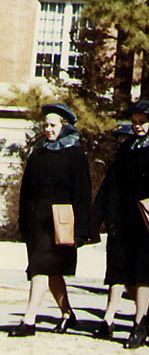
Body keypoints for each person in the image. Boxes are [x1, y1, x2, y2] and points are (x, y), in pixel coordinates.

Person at [92, 99, 149, 348]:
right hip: (124, 220)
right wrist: (98, 218)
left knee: (144, 275)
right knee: (123, 275)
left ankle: (139, 324)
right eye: (134, 123)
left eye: (142, 123)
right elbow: (112, 183)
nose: (138, 127)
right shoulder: (128, 147)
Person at [9, 102, 91, 337]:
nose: (48, 130)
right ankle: (68, 314)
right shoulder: (39, 152)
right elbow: (26, 190)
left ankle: (29, 321)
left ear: (64, 126)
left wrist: (81, 230)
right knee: (51, 271)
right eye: (46, 125)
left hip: (61, 222)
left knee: (40, 269)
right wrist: (23, 221)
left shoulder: (75, 154)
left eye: (53, 125)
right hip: (37, 222)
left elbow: (82, 193)